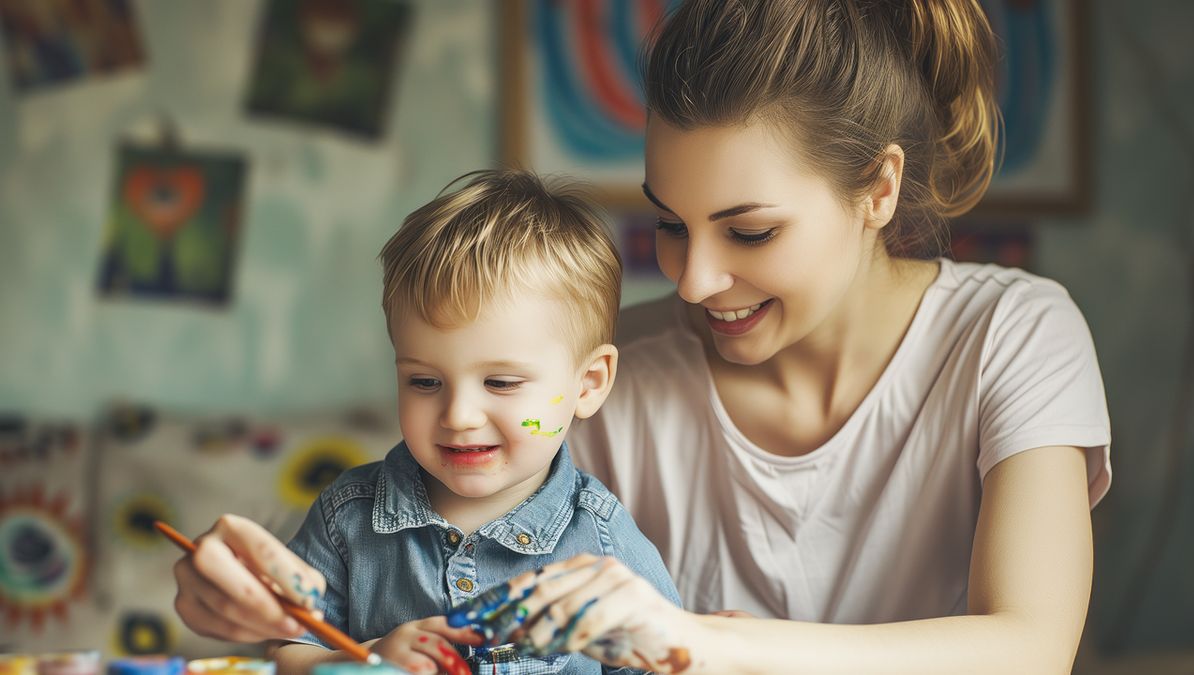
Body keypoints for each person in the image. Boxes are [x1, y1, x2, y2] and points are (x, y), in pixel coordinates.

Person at [172, 1, 1111, 672]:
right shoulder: (589, 381)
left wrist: (699, 637)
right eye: (671, 224)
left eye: (750, 231)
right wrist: (254, 595)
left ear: (879, 189)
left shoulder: (1011, 335)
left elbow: (1028, 647)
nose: (693, 280)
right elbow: (393, 555)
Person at [231, 170, 679, 675]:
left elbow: (672, 662)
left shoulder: (603, 542)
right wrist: (367, 661)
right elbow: (284, 652)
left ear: (589, 383)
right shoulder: (347, 521)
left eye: (502, 383)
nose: (459, 417)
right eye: (425, 382)